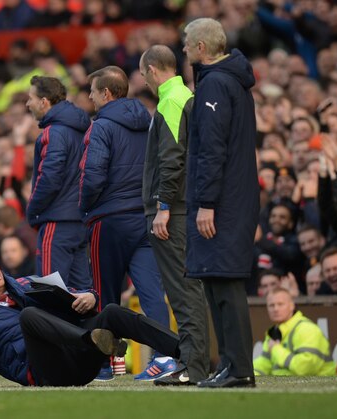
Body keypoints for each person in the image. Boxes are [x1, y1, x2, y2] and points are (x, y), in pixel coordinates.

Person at [0, 244, 180, 387]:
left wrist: (90, 297)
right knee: (28, 316)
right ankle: (94, 341)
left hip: (80, 361)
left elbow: (72, 294)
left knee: (111, 311)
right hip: (47, 374)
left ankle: (184, 350)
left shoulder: (26, 283)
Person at [79, 65, 175, 380]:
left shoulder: (101, 126)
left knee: (105, 296)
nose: (90, 99)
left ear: (106, 93)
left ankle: (105, 365)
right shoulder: (148, 119)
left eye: (93, 92)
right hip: (145, 217)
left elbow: (93, 176)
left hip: (108, 220)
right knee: (151, 293)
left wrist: (85, 206)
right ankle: (166, 358)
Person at [182, 18, 259, 388]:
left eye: (186, 44)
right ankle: (230, 364)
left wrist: (207, 202)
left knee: (225, 282)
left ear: (200, 48)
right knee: (216, 281)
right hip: (232, 195)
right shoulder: (231, 82)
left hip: (223, 199)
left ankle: (240, 368)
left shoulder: (215, 83)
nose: (183, 50)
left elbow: (212, 150)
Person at [139, 45, 209, 386]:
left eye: (143, 76)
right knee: (188, 288)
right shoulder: (185, 95)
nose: (145, 82)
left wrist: (163, 207)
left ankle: (194, 368)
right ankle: (194, 364)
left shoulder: (169, 100)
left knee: (182, 291)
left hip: (173, 210)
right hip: (185, 206)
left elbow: (172, 160)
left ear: (152, 70)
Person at [25, 76, 92, 291]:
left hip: (57, 220)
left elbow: (50, 177)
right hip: (80, 220)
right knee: (82, 292)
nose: (28, 104)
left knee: (50, 290)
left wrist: (33, 210)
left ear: (44, 102)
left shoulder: (53, 132)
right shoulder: (83, 128)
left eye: (30, 98)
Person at [253, 287, 336, 376]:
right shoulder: (273, 332)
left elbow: (305, 368)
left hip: (319, 386)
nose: (275, 309)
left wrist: (276, 349)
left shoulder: (306, 329)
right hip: (286, 386)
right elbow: (263, 364)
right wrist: (248, 375)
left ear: (292, 305)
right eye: (271, 305)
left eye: (280, 304)